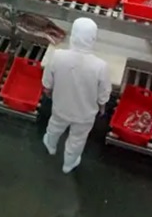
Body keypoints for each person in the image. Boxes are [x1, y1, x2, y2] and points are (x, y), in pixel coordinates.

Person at [42, 17, 111, 174]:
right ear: (93, 39)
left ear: (73, 36)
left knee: (54, 127)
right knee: (77, 139)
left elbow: (47, 85)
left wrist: (50, 92)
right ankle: (69, 163)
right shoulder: (100, 66)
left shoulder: (58, 56)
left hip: (60, 108)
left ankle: (50, 145)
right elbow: (103, 95)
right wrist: (101, 107)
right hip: (84, 115)